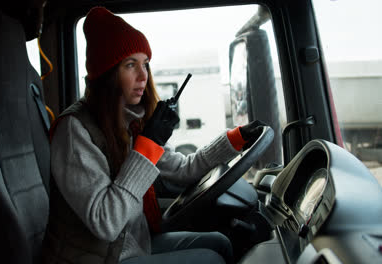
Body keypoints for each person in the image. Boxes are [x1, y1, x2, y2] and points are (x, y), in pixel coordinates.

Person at [41, 6, 265, 264]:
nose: (143, 76)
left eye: (145, 64)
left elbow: (184, 169)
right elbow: (106, 222)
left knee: (221, 242)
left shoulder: (129, 124)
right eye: (130, 65)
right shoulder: (74, 131)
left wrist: (235, 139)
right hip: (97, 258)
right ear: (107, 74)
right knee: (209, 259)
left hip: (131, 246)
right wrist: (148, 145)